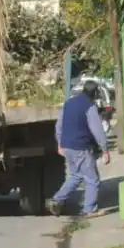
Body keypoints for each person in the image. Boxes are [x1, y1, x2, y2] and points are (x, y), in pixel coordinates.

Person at [48, 80, 111, 217]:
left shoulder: (68, 103)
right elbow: (97, 130)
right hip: (81, 147)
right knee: (92, 179)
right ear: (95, 93)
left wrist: (60, 143)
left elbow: (59, 126)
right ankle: (89, 210)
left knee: (76, 175)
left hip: (68, 146)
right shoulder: (89, 106)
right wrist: (105, 149)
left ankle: (56, 199)